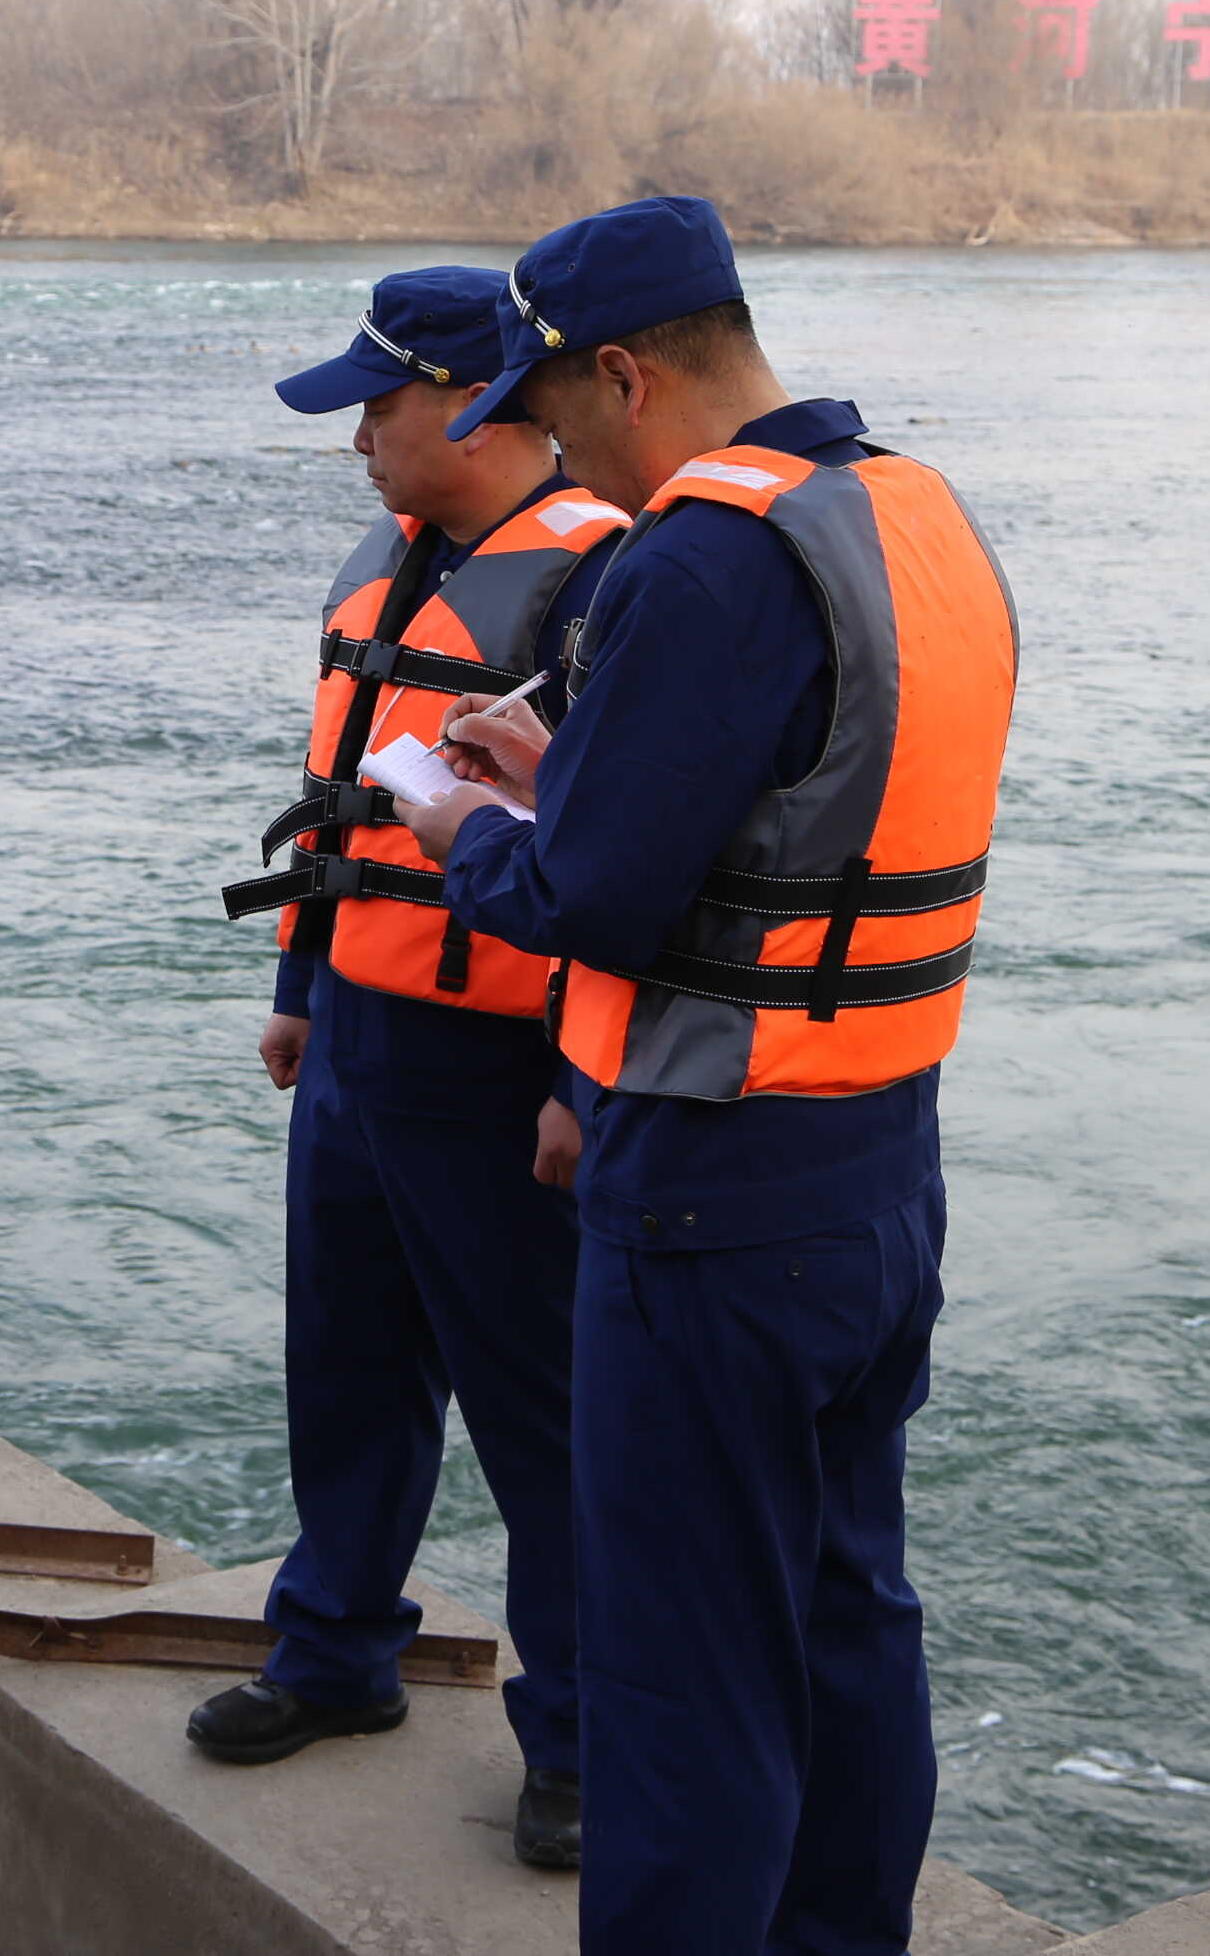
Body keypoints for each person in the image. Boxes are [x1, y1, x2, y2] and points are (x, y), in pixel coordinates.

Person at [394, 198, 1018, 1955]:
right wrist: (575, 767)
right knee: (846, 1617)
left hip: (709, 1194)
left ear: (626, 374)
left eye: (553, 411)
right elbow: (813, 809)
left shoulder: (697, 559)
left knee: (681, 1670)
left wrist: (466, 827)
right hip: (879, 1163)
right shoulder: (910, 510)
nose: (559, 456)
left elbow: (589, 901)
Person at [204, 265, 629, 1869]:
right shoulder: (385, 562)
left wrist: (579, 1084)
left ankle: (581, 1740)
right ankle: (335, 1651)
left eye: (375, 407)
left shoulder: (599, 579)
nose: (357, 441)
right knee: (348, 1369)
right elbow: (339, 791)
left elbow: (626, 865)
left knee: (542, 1413)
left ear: (468, 403)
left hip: (502, 1057)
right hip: (360, 1038)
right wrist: (300, 986)